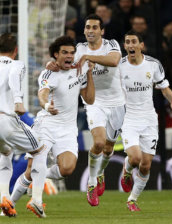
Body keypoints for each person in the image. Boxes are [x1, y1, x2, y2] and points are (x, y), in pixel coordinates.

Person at [47, 14, 126, 207]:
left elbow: (114, 61)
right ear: (84, 30)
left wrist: (89, 57)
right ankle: (91, 184)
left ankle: (100, 173)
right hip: (93, 101)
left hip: (117, 102)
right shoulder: (78, 49)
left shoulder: (111, 45)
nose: (90, 30)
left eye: (94, 27)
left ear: (101, 31)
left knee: (108, 149)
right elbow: (66, 63)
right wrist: (53, 64)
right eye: (88, 27)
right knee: (98, 142)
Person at [10, 36, 95, 207]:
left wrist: (90, 73)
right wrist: (47, 104)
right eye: (64, 52)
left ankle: (38, 176)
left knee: (67, 169)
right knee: (31, 167)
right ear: (56, 55)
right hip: (47, 125)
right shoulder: (49, 72)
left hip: (68, 129)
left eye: (71, 53)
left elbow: (90, 99)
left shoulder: (80, 69)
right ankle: (9, 205)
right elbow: (42, 94)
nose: (69, 56)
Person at [0, 33, 48, 218]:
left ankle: (5, 199)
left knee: (6, 152)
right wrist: (18, 101)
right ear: (16, 50)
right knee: (40, 150)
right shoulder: (17, 64)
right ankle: (36, 199)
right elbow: (13, 78)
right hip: (4, 119)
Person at [120, 30, 172, 211]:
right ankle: (127, 171)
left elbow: (164, 87)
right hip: (128, 118)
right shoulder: (119, 66)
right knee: (135, 157)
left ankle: (132, 200)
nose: (130, 45)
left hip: (149, 119)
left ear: (141, 45)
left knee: (145, 165)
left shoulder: (153, 65)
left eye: (133, 42)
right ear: (124, 46)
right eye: (127, 42)